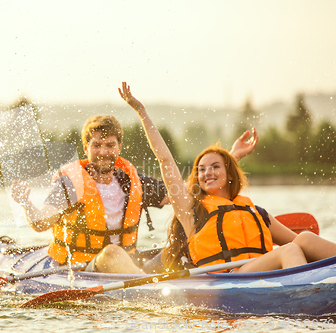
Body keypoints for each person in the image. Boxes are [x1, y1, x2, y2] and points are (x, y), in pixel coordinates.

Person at [119, 81, 336, 273]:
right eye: (201, 169)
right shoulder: (191, 211)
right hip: (232, 278)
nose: (207, 173)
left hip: (263, 272)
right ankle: (306, 295)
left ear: (229, 173)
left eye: (215, 167)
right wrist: (142, 113)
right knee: (288, 252)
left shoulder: (255, 212)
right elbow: (165, 160)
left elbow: (300, 245)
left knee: (304, 239)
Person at [11, 114, 258, 274]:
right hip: (81, 268)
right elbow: (41, 222)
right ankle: (152, 293)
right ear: (86, 148)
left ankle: (233, 274)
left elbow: (184, 192)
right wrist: (25, 203)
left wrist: (231, 157)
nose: (103, 151)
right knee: (111, 253)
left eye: (109, 145)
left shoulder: (132, 181)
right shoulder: (70, 184)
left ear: (119, 147)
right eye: (96, 145)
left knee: (179, 247)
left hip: (129, 267)